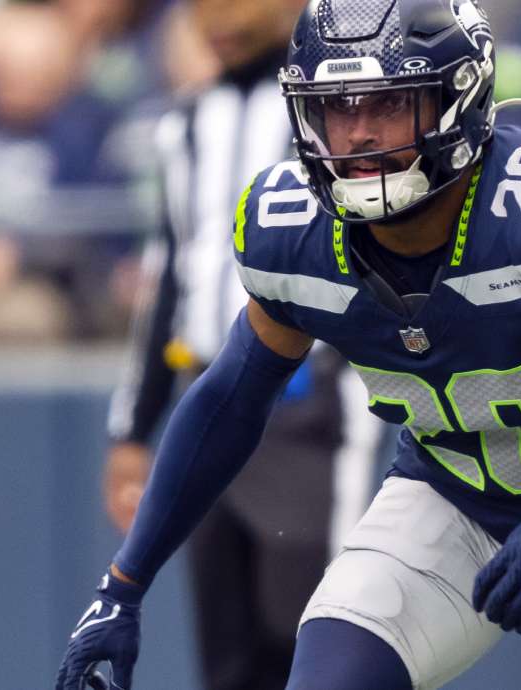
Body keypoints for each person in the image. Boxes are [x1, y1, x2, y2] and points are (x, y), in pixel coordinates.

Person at [55, 1, 521, 688]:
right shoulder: (293, 228)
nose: (361, 134)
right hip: (448, 501)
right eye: (336, 110)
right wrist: (123, 585)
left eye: (386, 102)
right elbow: (229, 398)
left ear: (457, 96)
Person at [103, 0, 381, 688]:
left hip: (313, 401)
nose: (217, 17)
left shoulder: (343, 110)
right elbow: (171, 277)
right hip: (211, 399)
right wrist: (134, 428)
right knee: (226, 649)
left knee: (322, 630)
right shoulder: (186, 123)